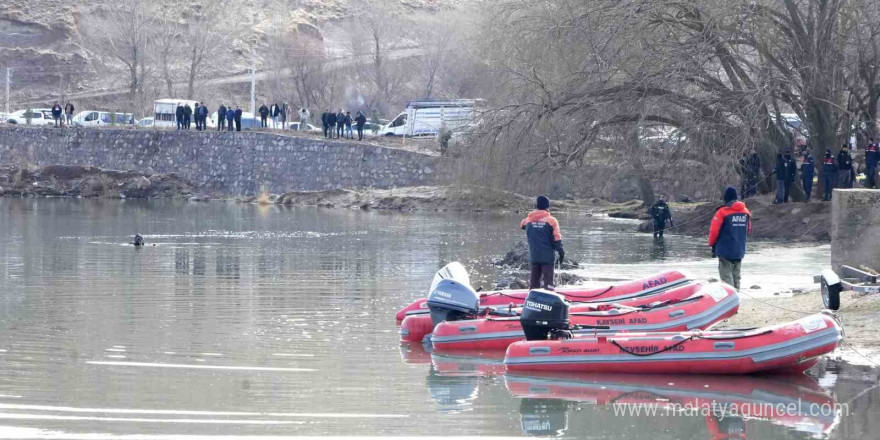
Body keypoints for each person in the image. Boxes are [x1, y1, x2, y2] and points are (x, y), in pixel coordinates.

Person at [708, 187, 751, 290]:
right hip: (739, 249)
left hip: (725, 250)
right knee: (736, 276)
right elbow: (748, 230)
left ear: (725, 198)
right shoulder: (746, 212)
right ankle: (736, 296)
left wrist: (711, 243)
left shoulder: (722, 212)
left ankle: (730, 299)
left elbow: (714, 231)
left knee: (726, 276)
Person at [520, 196, 565, 290]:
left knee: (534, 284)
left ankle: (532, 300)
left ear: (537, 206)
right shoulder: (552, 221)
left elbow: (522, 225)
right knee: (548, 284)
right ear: (547, 206)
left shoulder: (528, 220)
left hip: (534, 256)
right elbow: (557, 238)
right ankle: (549, 300)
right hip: (547, 257)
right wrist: (561, 252)